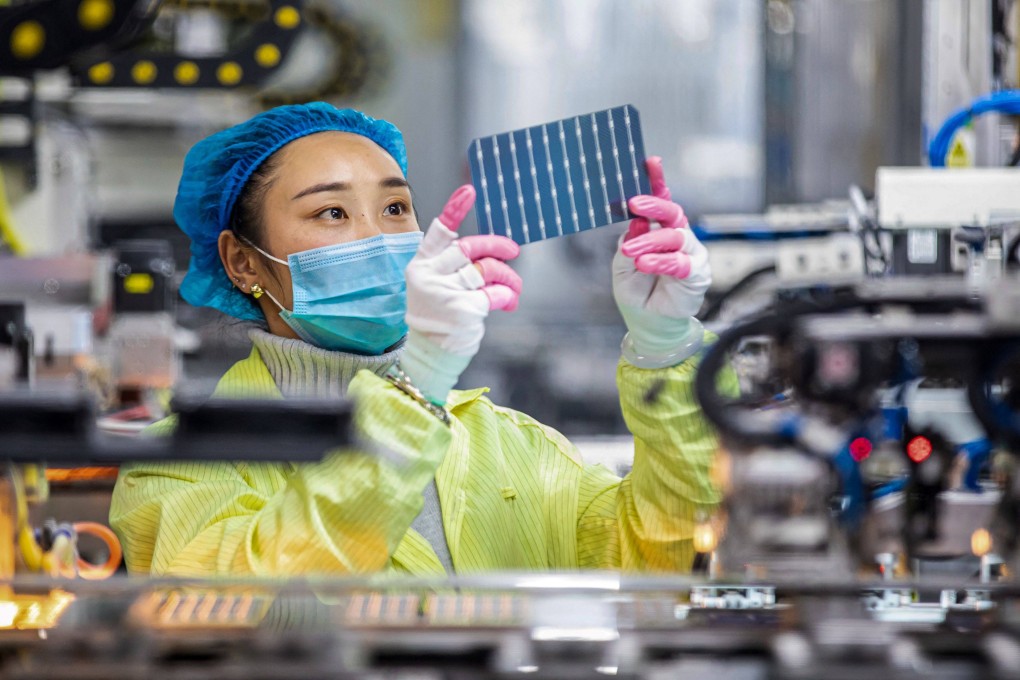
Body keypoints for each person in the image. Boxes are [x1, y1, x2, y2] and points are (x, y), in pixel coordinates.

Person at [110, 102, 731, 577]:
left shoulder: (509, 447)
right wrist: (416, 390)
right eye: (331, 213)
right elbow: (259, 609)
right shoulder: (179, 463)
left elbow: (659, 555)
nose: (376, 238)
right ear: (243, 263)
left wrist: (665, 346)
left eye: (395, 209)